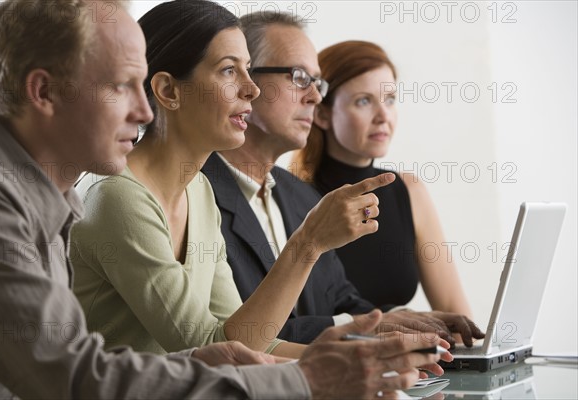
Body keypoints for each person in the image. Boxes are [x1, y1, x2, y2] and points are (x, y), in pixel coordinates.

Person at [0, 1, 446, 398]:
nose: (142, 111)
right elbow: (73, 376)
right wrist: (304, 375)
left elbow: (228, 340)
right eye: (122, 85)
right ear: (44, 91)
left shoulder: (70, 198)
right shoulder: (7, 201)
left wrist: (359, 359)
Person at [69, 0, 395, 359]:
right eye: (228, 71)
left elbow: (243, 339)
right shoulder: (116, 195)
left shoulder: (199, 190)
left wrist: (366, 359)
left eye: (249, 70)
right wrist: (308, 243)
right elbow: (213, 349)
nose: (251, 89)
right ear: (168, 91)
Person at [202, 11, 483, 346]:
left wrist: (401, 322)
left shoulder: (300, 196)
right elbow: (232, 338)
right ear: (245, 83)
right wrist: (364, 327)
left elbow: (344, 304)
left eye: (316, 83)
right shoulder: (194, 193)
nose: (315, 97)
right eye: (298, 77)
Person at [292, 40, 473, 316]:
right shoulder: (290, 196)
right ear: (322, 113)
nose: (383, 115)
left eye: (389, 99)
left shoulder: (410, 191)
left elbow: (456, 316)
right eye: (363, 101)